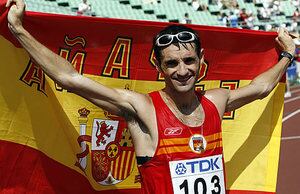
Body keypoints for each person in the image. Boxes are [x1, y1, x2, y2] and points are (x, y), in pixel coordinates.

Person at [5, 0, 295, 193]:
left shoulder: (216, 101)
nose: (182, 71)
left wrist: (286, 56)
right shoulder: (142, 107)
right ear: (158, 67)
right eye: (171, 63)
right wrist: (18, 30)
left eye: (189, 61)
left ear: (201, 60)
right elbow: (70, 79)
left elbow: (261, 88)